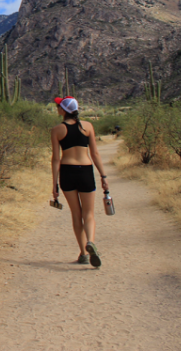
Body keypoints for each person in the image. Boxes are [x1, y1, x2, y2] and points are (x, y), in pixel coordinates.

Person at [51, 96, 108, 267]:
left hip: (67, 172)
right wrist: (103, 176)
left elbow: (55, 159)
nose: (57, 108)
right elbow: (95, 153)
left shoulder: (57, 130)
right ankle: (90, 241)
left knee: (76, 214)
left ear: (64, 110)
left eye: (58, 106)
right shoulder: (88, 127)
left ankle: (83, 253)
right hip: (85, 171)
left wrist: (55, 184)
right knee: (88, 214)